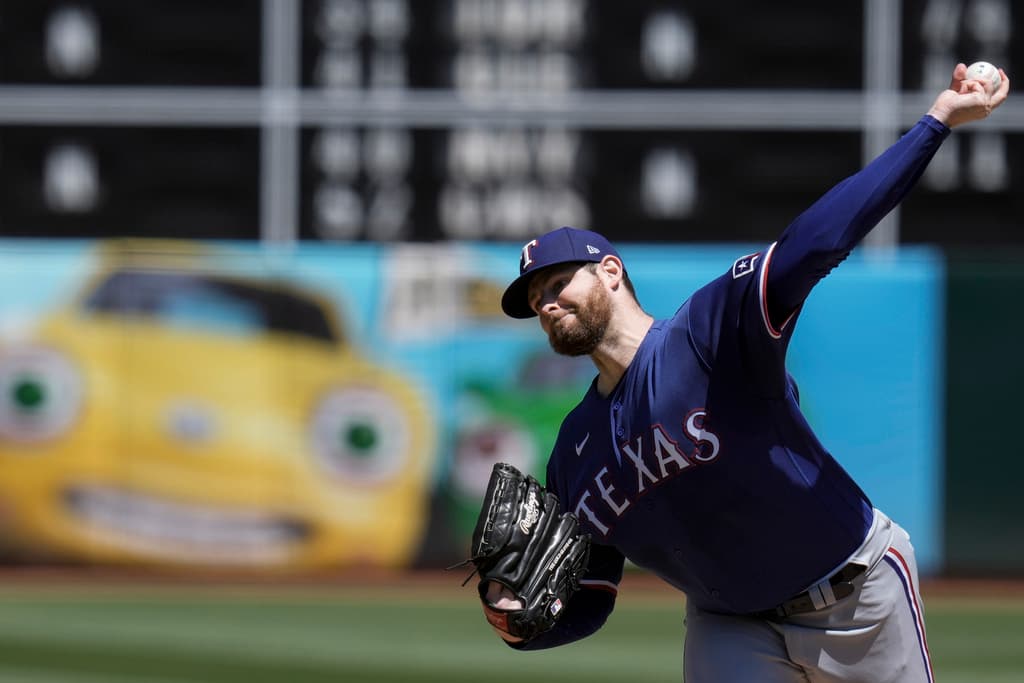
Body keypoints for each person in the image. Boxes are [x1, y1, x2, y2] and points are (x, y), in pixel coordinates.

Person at [483, 63, 1010, 682]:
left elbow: (816, 242)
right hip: (727, 625)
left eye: (555, 282)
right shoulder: (574, 451)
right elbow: (592, 596)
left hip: (855, 597)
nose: (545, 302)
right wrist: (517, 621)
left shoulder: (708, 332)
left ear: (610, 271)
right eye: (535, 299)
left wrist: (937, 121)